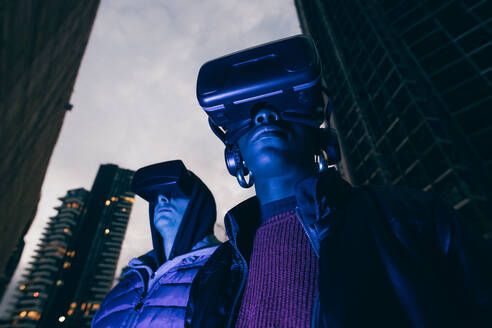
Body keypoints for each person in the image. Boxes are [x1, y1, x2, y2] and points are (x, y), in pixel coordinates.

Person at [185, 35, 492, 327]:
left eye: (282, 106)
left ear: (325, 139)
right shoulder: (214, 275)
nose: (265, 116)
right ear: (234, 158)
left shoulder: (412, 219)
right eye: (248, 115)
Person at [92, 160, 220, 328]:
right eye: (156, 197)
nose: (162, 199)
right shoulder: (125, 285)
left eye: (173, 191)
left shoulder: (225, 271)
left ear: (198, 205)